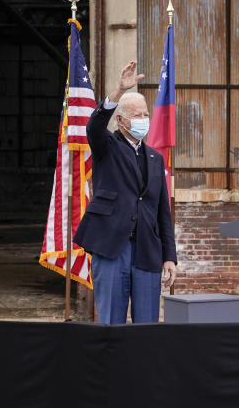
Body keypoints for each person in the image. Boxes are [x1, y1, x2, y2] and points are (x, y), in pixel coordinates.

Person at [74, 61, 177, 324]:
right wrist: (118, 91)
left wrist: (169, 257)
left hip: (146, 249)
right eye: (137, 115)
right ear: (120, 120)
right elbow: (94, 127)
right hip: (112, 248)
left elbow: (162, 211)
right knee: (111, 323)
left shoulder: (155, 158)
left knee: (147, 325)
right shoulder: (107, 146)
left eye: (145, 115)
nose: (144, 120)